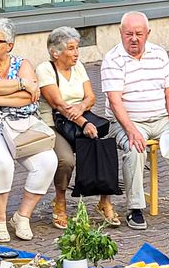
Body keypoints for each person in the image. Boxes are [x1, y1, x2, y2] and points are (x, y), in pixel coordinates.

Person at [102, 11, 169, 230]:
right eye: (129, 33)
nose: (134, 38)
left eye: (139, 34)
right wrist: (131, 130)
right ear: (120, 33)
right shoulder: (112, 59)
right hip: (128, 120)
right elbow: (115, 102)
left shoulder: (159, 54)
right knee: (135, 148)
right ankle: (134, 208)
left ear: (148, 33)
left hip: (161, 118)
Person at [0, 19, 57, 242]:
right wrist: (22, 84)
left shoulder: (22, 63)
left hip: (20, 124)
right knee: (0, 164)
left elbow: (29, 100)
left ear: (10, 45)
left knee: (48, 162)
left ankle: (22, 216)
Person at [36, 26, 121, 229]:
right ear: (55, 52)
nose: (76, 53)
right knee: (66, 159)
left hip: (81, 119)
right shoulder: (45, 69)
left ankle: (105, 202)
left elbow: (90, 97)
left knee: (104, 149)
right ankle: (60, 201)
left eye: (77, 48)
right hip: (55, 124)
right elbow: (57, 103)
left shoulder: (78, 66)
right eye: (71, 49)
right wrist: (83, 121)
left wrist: (81, 107)